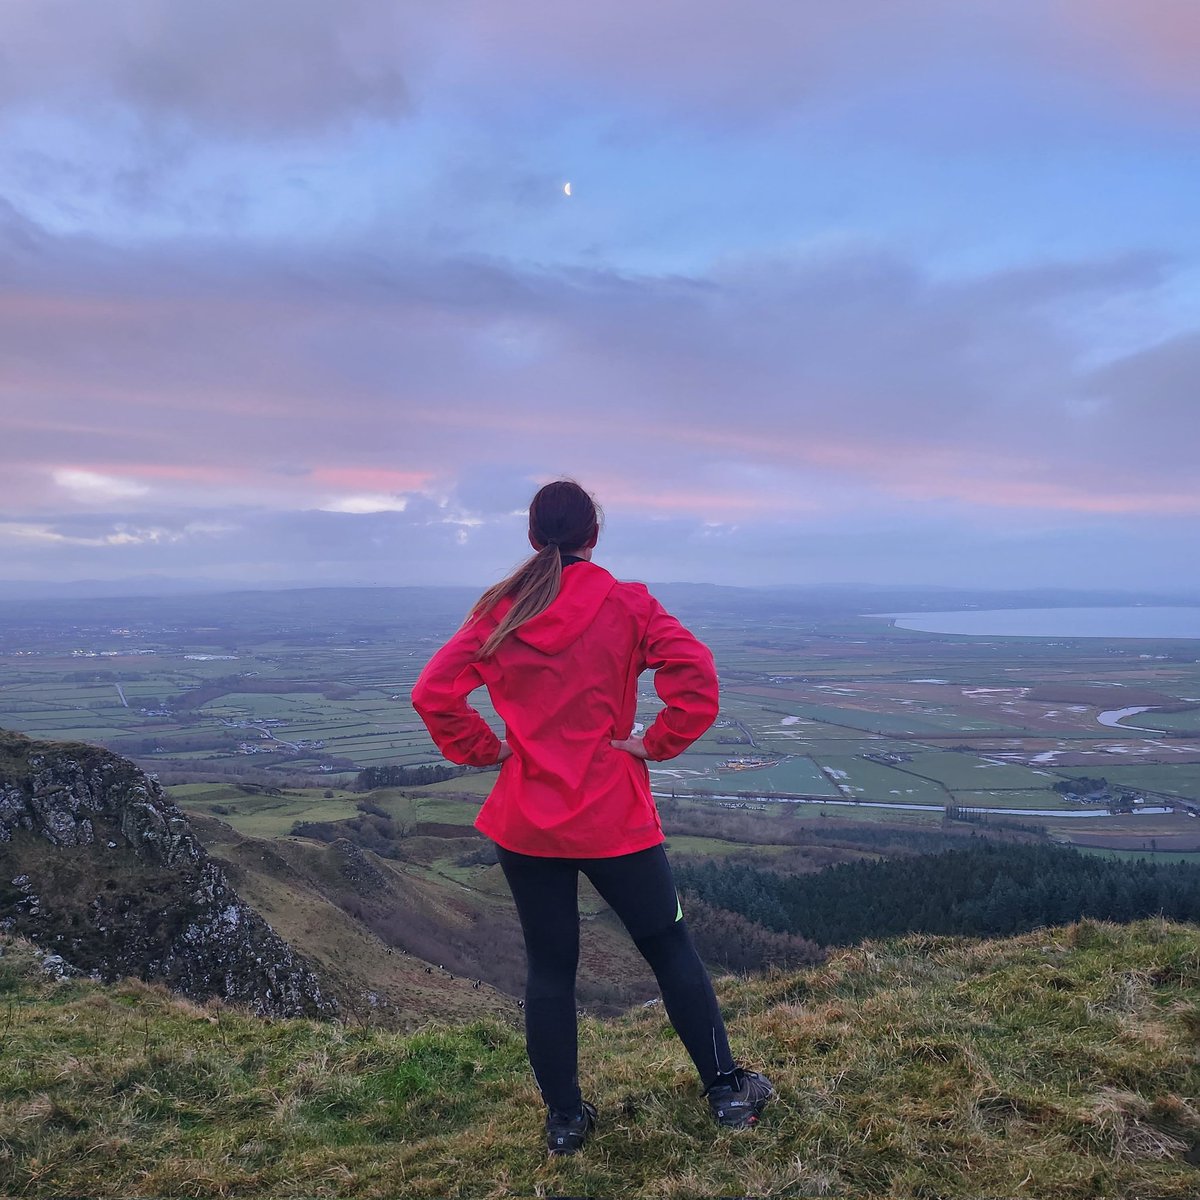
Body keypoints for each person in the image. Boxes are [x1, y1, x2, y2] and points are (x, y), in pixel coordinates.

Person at [411, 479, 772, 1156]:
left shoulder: (502, 612)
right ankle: (726, 1091)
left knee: (551, 969)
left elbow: (433, 692)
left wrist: (485, 750)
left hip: (526, 819)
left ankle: (567, 1122)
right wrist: (654, 743)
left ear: (531, 536)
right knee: (669, 949)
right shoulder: (626, 603)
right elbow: (695, 674)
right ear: (593, 536)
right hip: (613, 816)